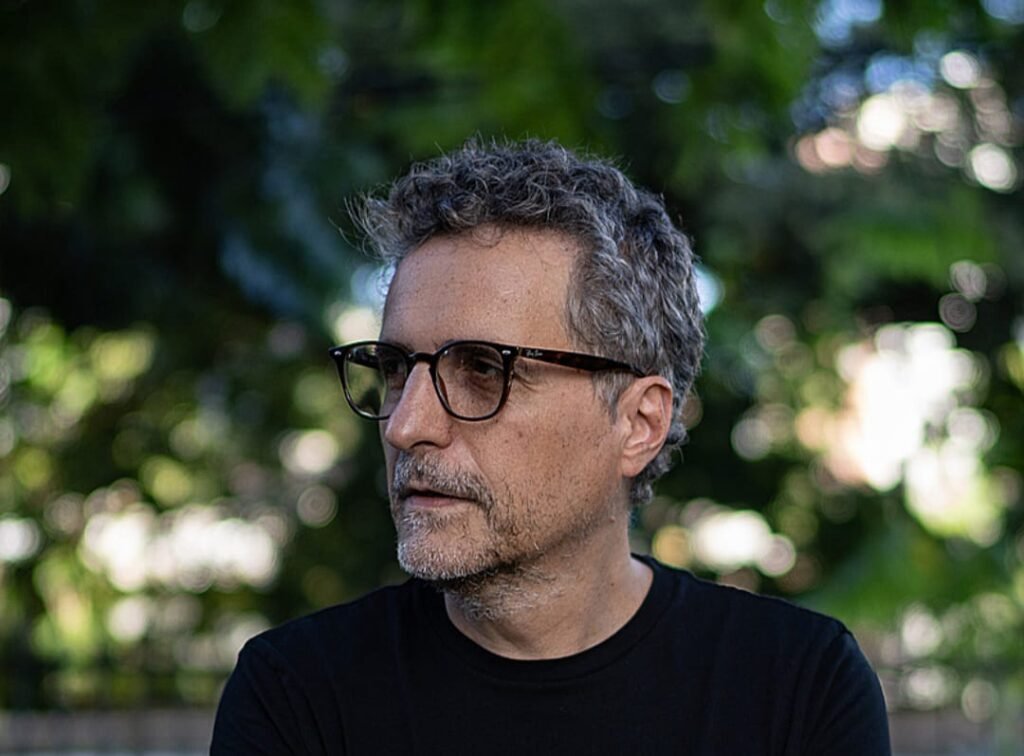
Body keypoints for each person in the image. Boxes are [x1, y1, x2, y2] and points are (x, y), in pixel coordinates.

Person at [211, 138, 890, 754]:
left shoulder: (796, 690)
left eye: (484, 369)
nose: (405, 424)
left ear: (639, 423)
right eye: (394, 369)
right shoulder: (299, 696)